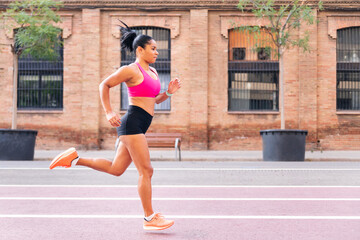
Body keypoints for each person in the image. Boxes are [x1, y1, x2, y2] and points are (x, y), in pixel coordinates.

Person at [49, 21, 181, 231]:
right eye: (153, 48)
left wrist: (170, 92)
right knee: (146, 170)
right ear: (140, 50)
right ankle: (149, 218)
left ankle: (74, 158)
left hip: (140, 124)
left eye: (157, 49)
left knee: (116, 169)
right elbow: (105, 85)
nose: (157, 52)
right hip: (132, 123)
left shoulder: (154, 72)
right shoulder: (131, 70)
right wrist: (109, 112)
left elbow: (154, 100)